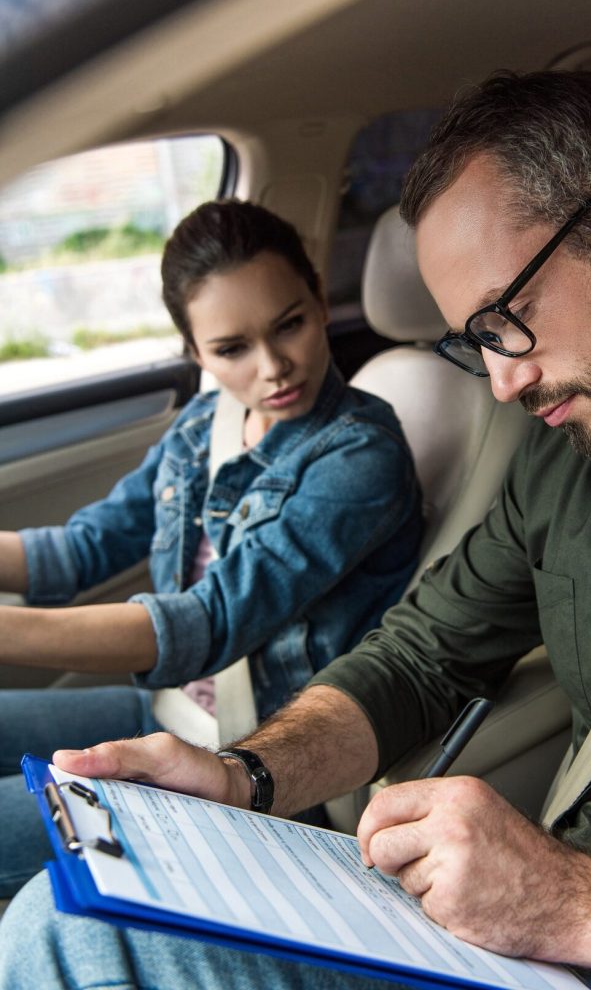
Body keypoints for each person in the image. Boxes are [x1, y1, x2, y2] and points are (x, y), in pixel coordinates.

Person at [1, 70, 591, 990]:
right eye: (474, 345)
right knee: (77, 911)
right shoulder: (569, 454)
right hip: (520, 946)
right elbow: (421, 657)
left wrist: (575, 904)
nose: (504, 384)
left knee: (75, 943)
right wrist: (241, 776)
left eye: (506, 321)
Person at [0, 199, 423, 899]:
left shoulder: (360, 455)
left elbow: (209, 622)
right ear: (196, 353)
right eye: (232, 349)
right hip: (162, 716)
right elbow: (87, 545)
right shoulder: (205, 423)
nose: (275, 367)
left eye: (289, 324)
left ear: (320, 301)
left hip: (251, 760)